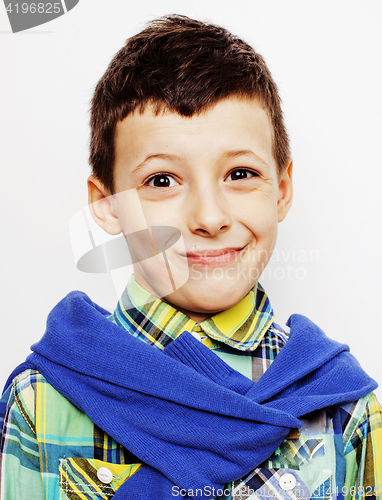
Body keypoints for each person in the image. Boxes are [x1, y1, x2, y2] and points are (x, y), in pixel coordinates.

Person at [0, 14, 380, 500]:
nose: (210, 216)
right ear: (107, 204)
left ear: (282, 190)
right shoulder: (43, 398)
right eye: (162, 181)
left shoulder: (346, 406)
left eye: (240, 173)